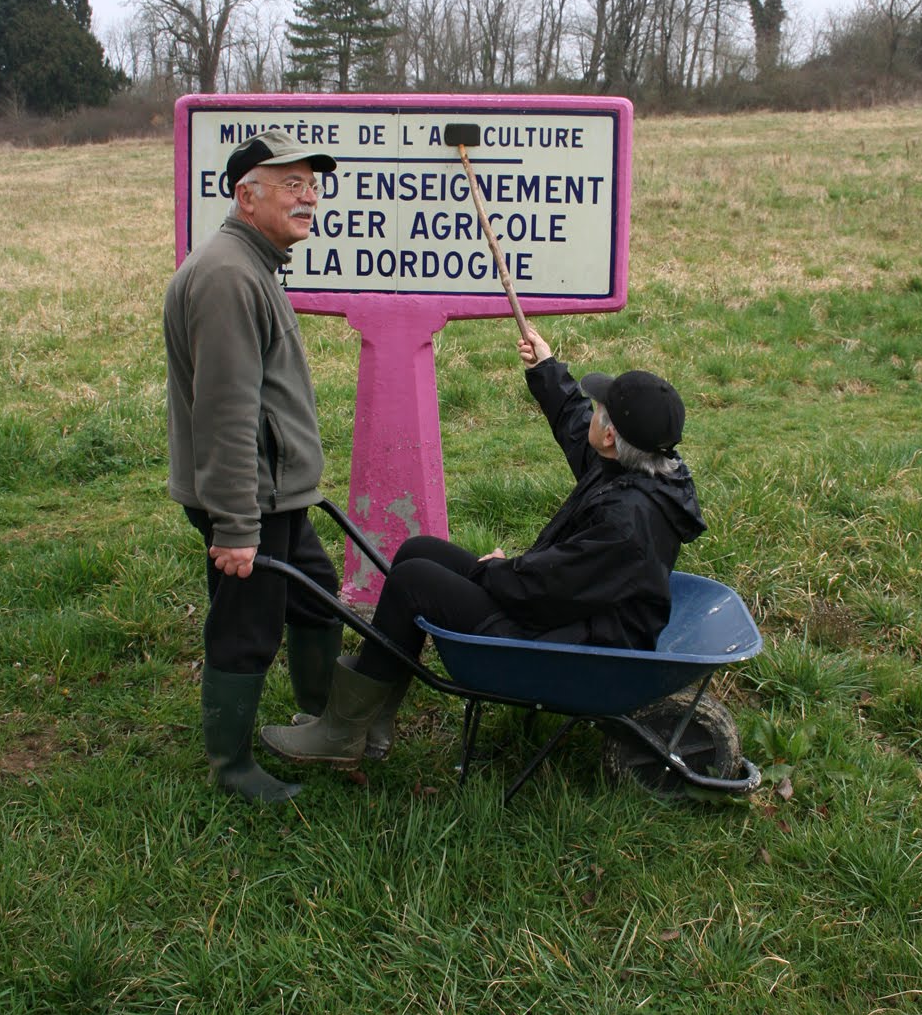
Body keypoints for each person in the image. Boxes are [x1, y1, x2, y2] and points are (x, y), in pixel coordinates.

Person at [260, 325, 707, 770]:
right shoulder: (641, 472)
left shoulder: (626, 522)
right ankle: (371, 719)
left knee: (414, 581)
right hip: (577, 614)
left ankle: (340, 735)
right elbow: (578, 435)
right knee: (418, 551)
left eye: (599, 409)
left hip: (573, 643)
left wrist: (499, 571)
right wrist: (546, 370)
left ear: (611, 437)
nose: (591, 413)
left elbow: (551, 589)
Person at [164, 129, 345, 803]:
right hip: (251, 501)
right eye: (292, 185)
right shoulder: (227, 278)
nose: (310, 198)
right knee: (245, 629)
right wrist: (236, 525)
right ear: (247, 195)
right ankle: (232, 769)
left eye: (313, 185)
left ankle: (322, 723)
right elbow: (227, 412)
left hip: (279, 495)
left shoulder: (252, 266)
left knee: (318, 604)